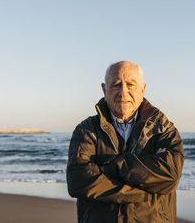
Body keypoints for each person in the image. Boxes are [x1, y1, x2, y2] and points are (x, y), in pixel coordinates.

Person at [67, 61, 184, 223]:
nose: (123, 92)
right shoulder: (87, 130)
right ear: (104, 89)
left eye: (131, 84)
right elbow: (78, 181)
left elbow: (170, 176)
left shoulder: (163, 128)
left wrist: (110, 167)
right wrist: (143, 192)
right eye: (116, 84)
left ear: (142, 89)